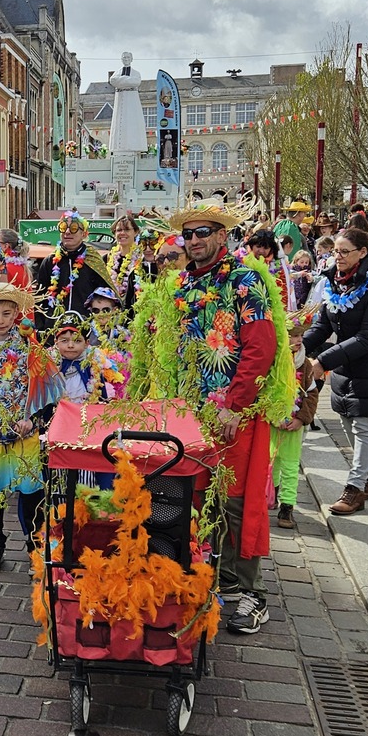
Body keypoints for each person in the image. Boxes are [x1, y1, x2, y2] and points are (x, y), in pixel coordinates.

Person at [130, 198, 292, 635]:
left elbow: (260, 347)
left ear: (222, 235)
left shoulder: (244, 280)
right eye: (189, 234)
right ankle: (211, 576)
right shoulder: (182, 283)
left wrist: (235, 406)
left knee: (235, 501)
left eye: (204, 232)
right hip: (187, 415)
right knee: (192, 496)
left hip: (232, 415)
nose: (195, 240)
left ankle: (251, 593)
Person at [302, 228, 368, 515]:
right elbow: (323, 325)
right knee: (347, 421)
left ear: (362, 252)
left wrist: (322, 361)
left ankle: (355, 488)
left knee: (364, 425)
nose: (338, 257)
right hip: (347, 362)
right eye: (336, 251)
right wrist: (296, 346)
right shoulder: (335, 280)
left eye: (345, 251)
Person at [0, 282, 61, 573]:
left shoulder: (30, 346)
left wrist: (33, 419)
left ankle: (35, 546)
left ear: (17, 313)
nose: (0, 321)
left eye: (7, 314)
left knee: (31, 493)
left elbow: (49, 389)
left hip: (24, 431)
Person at [273, 315, 324, 529]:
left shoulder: (305, 363)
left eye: (301, 335)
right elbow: (265, 390)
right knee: (271, 463)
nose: (299, 340)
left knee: (291, 465)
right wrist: (273, 415)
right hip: (273, 422)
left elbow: (311, 394)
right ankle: (272, 494)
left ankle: (287, 507)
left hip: (294, 423)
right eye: (293, 336)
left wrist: (302, 419)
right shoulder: (273, 360)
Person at [32, 210, 110, 326]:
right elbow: (40, 298)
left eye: (73, 228)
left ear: (83, 234)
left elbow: (105, 296)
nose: (67, 232)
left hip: (86, 326)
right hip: (55, 327)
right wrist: (42, 326)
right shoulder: (49, 261)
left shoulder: (93, 260)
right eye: (63, 227)